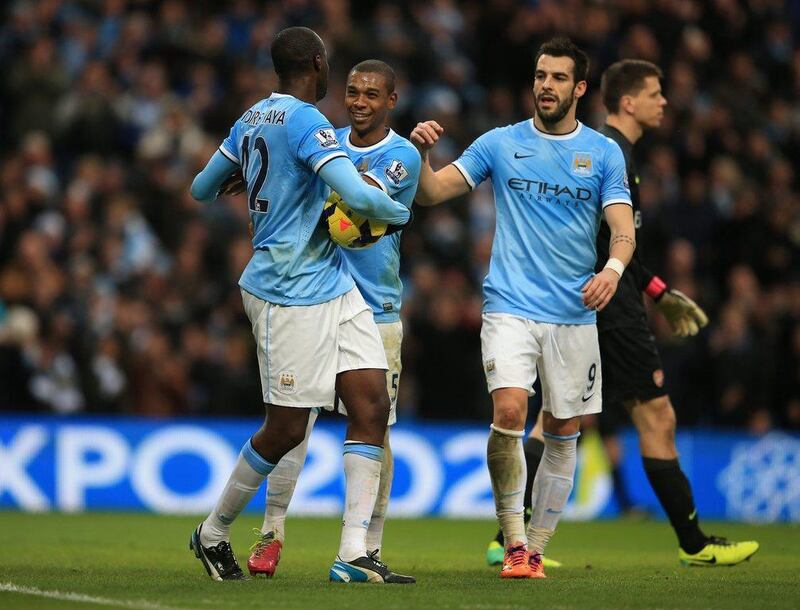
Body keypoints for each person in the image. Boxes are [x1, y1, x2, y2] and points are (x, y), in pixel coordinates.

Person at [488, 59, 758, 568]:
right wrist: (646, 292)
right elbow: (610, 242)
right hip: (606, 307)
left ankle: (508, 538)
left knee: (557, 422)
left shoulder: (611, 151)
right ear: (628, 102)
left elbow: (620, 243)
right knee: (656, 414)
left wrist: (657, 288)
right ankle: (694, 543)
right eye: (656, 94)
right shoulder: (609, 152)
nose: (664, 102)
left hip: (589, 302)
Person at [187, 27, 414, 584]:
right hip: (284, 289)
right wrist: (401, 216)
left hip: (334, 286)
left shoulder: (250, 119)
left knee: (370, 407)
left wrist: (256, 178)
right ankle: (212, 532)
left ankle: (354, 554)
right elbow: (358, 196)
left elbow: (199, 188)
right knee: (286, 428)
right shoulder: (309, 122)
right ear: (318, 64)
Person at [410, 37, 636, 579]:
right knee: (510, 413)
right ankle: (513, 541)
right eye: (540, 75)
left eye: (558, 78)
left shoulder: (604, 153)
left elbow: (623, 232)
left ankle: (537, 545)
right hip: (509, 305)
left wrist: (612, 270)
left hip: (574, 313)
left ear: (579, 88)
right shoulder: (499, 143)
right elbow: (434, 193)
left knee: (562, 427)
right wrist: (419, 156)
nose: (546, 86)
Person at [245, 59, 420, 580]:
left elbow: (356, 213)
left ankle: (366, 547)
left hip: (376, 307)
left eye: (372, 94)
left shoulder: (402, 156)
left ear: (392, 100)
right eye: (352, 91)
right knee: (294, 425)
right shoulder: (322, 138)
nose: (360, 101)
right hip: (311, 301)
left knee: (375, 430)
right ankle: (270, 533)